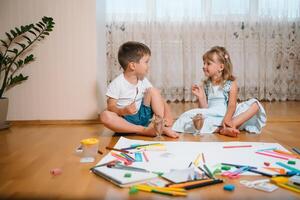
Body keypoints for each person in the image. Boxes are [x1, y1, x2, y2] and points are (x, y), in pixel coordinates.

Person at [172, 46, 266, 137]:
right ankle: (222, 129)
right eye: (204, 63)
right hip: (214, 115)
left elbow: (232, 105)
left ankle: (230, 125)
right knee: (188, 117)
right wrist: (200, 97)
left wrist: (228, 119)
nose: (204, 66)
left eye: (208, 63)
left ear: (221, 67)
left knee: (255, 105)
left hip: (230, 114)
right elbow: (204, 109)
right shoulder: (206, 85)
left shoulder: (230, 83)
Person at [100, 41, 179, 138]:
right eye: (146, 62)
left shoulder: (143, 80)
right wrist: (123, 111)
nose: (148, 66)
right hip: (125, 121)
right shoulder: (117, 83)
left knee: (153, 91)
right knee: (105, 116)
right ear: (132, 65)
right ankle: (143, 130)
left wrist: (168, 116)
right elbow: (111, 106)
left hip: (143, 115)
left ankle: (160, 124)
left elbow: (160, 99)